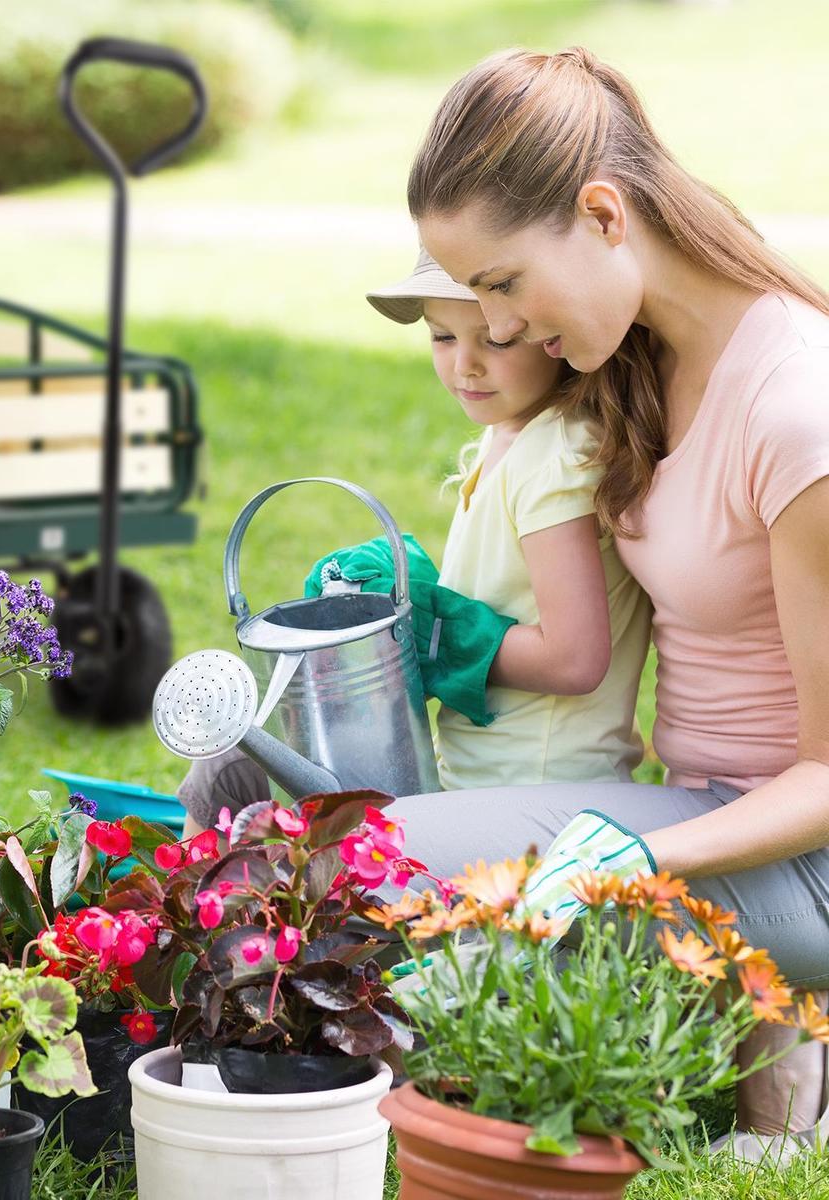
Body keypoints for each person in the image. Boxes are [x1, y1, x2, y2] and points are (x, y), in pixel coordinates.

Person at [388, 45, 829, 1156]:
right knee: (357, 850)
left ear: (601, 213)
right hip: (697, 812)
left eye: (502, 283)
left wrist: (636, 860)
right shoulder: (640, 356)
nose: (495, 328)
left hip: (797, 855)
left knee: (383, 867)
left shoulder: (797, 413)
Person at [178, 250, 652, 825]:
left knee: (293, 850)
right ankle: (190, 898)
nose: (465, 365)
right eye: (442, 337)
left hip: (537, 801)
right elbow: (508, 593)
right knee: (232, 752)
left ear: (553, 334)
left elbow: (575, 658)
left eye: (495, 341)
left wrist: (427, 632)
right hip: (481, 784)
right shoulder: (513, 437)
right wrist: (409, 589)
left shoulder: (556, 455)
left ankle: (198, 903)